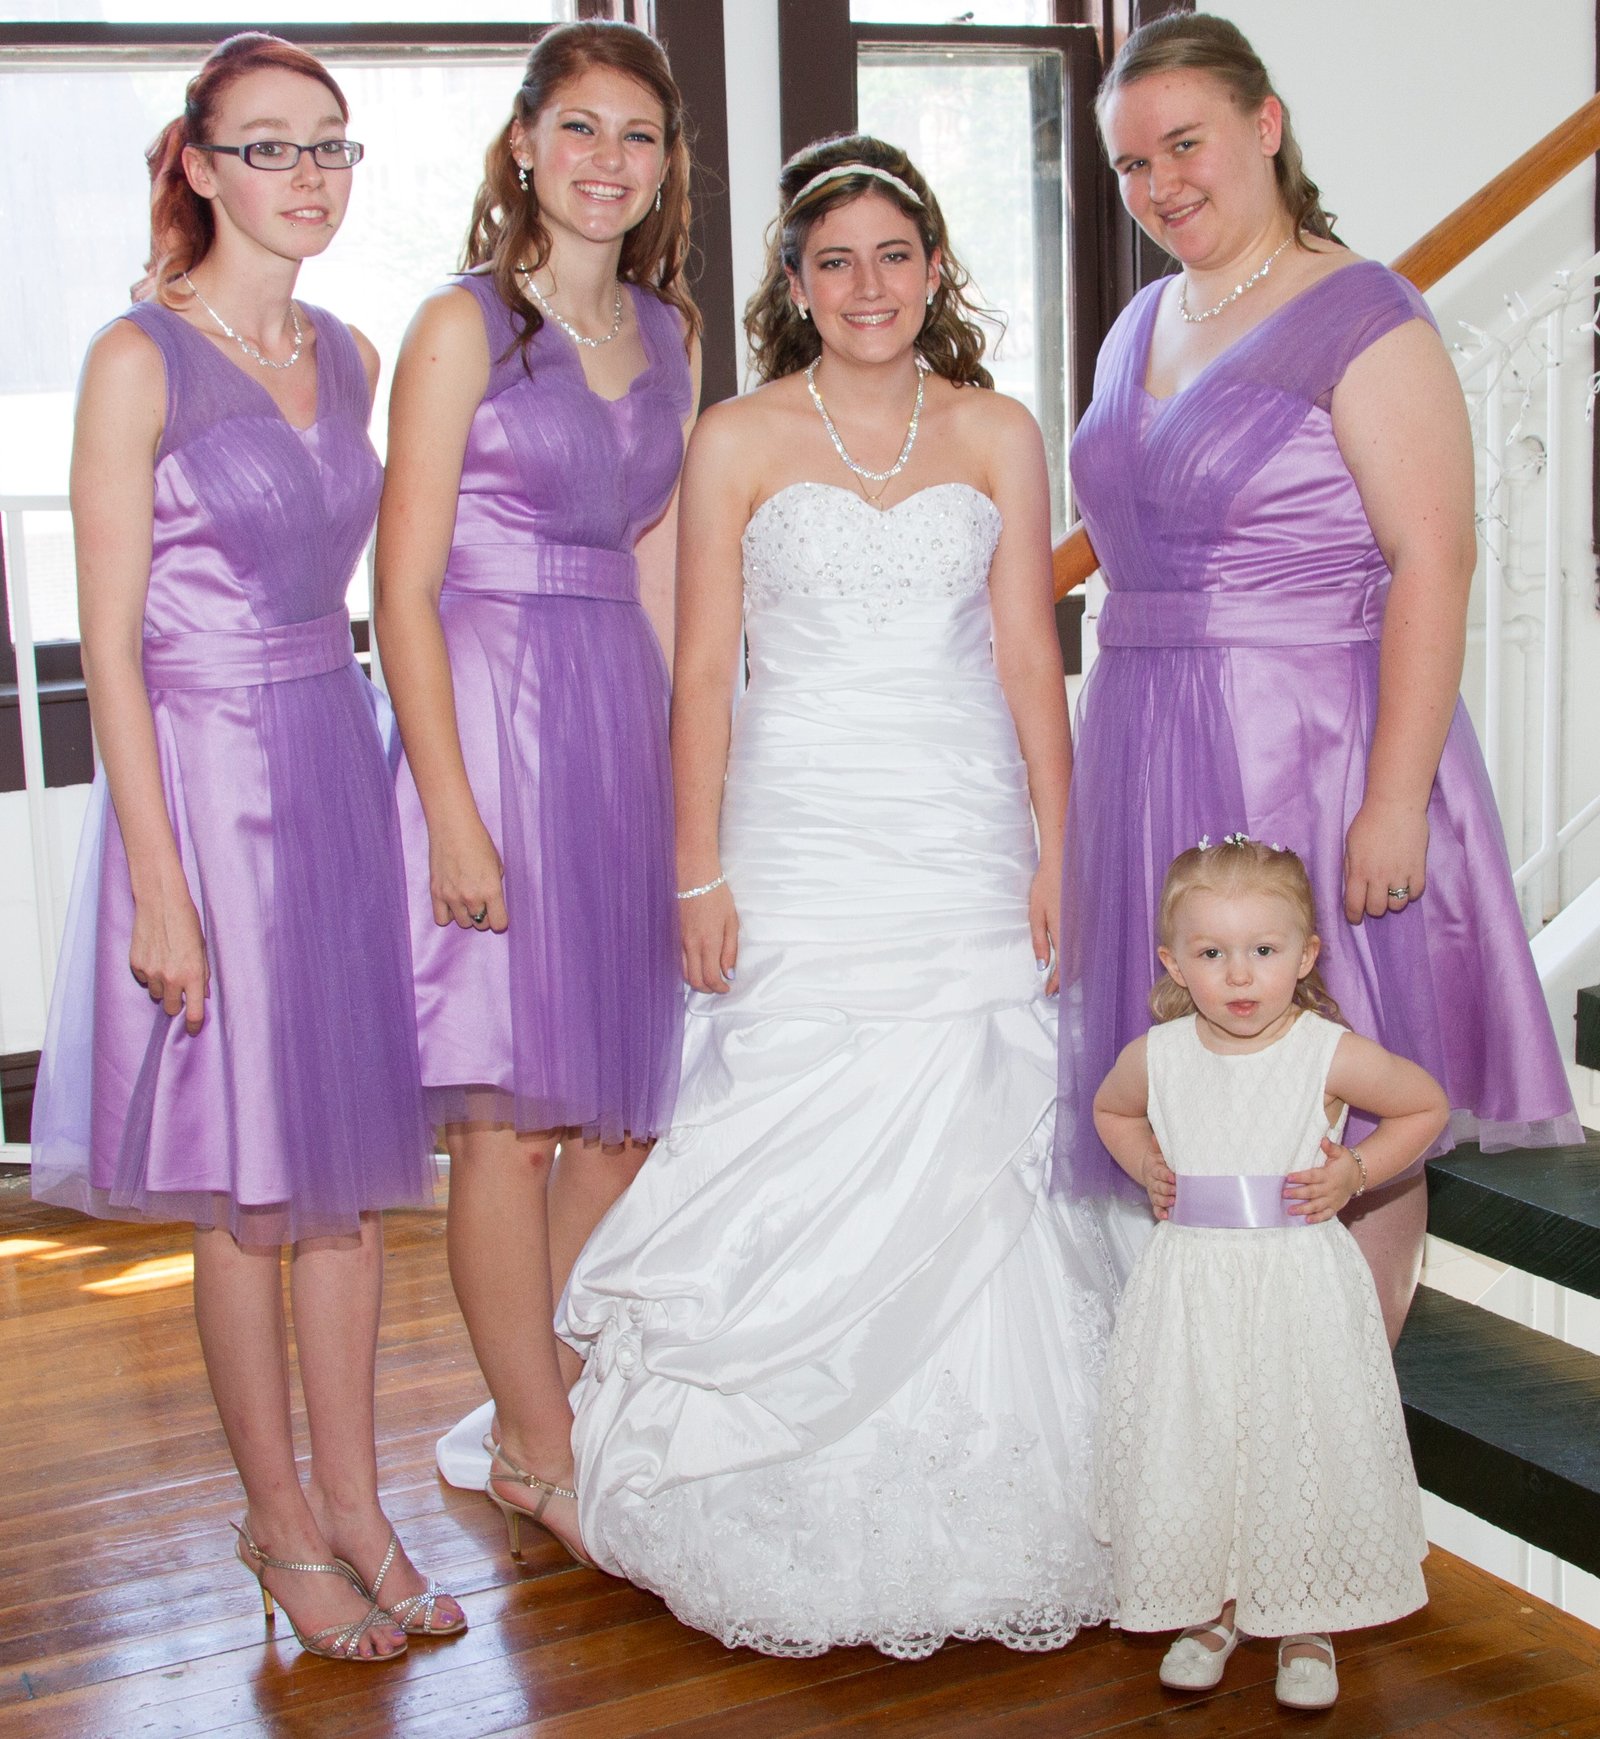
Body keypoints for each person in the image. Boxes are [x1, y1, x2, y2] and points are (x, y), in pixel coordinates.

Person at [559, 134, 1117, 1658]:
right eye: (834, 259)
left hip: (958, 826)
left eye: (893, 254)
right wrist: (698, 864)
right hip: (797, 828)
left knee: (980, 1110)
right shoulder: (736, 434)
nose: (866, 284)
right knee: (785, 1103)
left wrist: (1062, 846)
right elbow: (704, 674)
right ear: (793, 285)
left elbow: (1026, 654)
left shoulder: (1000, 427)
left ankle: (1005, 1483)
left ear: (934, 270)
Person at [29, 34, 462, 1658]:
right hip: (203, 777)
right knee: (248, 1191)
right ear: (200, 163)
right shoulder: (137, 357)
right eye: (272, 148)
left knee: (344, 1187)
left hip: (331, 758)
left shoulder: (351, 352)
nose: (309, 178)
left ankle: (358, 1503)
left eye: (331, 148)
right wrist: (157, 873)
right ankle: (276, 1519)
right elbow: (113, 643)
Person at [1058, 11, 1581, 1343]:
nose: (1163, 185)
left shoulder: (1363, 312)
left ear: (1266, 126)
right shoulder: (1139, 324)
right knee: (1200, 1087)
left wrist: (1394, 801)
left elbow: (1435, 555)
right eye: (1131, 164)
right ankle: (1227, 1404)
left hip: (1315, 743)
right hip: (1150, 738)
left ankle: (1339, 1415)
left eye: (1186, 145)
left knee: (1330, 1084)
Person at [373, 19, 700, 1564]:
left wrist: (695, 779)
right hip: (489, 715)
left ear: (662, 165)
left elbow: (658, 571)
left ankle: (541, 1377)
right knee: (501, 1120)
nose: (604, 160)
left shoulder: (670, 329)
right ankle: (535, 1428)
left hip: (613, 723)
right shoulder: (461, 326)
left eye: (635, 134)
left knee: (620, 1115)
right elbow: (405, 581)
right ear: (523, 142)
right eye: (578, 127)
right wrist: (446, 806)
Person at [1093, 837, 1444, 1709]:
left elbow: (1424, 1104)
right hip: (1194, 1293)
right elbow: (1111, 1106)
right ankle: (1212, 1608)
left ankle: (1305, 1618)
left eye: (1264, 950)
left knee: (1297, 1438)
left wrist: (1356, 1171)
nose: (1240, 977)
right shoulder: (1162, 1053)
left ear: (1306, 955)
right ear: (1175, 960)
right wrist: (1147, 1165)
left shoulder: (1323, 1051)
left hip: (1296, 1289)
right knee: (1206, 1440)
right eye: (1212, 954)